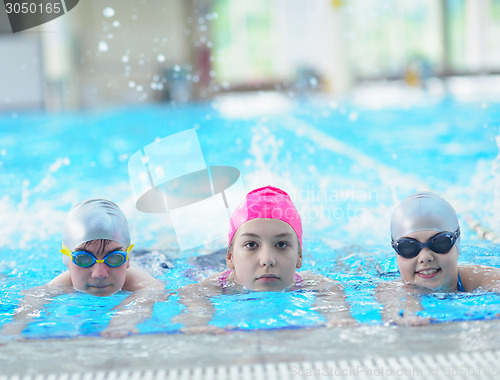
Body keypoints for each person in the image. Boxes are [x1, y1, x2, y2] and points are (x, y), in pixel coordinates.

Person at [175, 186, 354, 333]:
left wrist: (339, 318)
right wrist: (198, 320)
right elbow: (191, 293)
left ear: (300, 257)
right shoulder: (217, 285)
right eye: (252, 245)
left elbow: (332, 291)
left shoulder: (311, 282)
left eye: (282, 245)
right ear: (229, 258)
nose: (267, 260)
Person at [1, 199, 167, 338]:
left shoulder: (139, 281)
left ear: (127, 260)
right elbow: (33, 299)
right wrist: (13, 328)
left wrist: (124, 320)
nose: (99, 273)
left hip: (157, 261)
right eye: (84, 259)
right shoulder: (62, 282)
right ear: (67, 260)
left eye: (115, 258)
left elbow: (149, 295)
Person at [378, 191, 500, 325]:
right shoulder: (391, 291)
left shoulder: (485, 278)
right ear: (396, 253)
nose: (425, 257)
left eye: (440, 242)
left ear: (457, 244)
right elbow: (395, 304)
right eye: (408, 247)